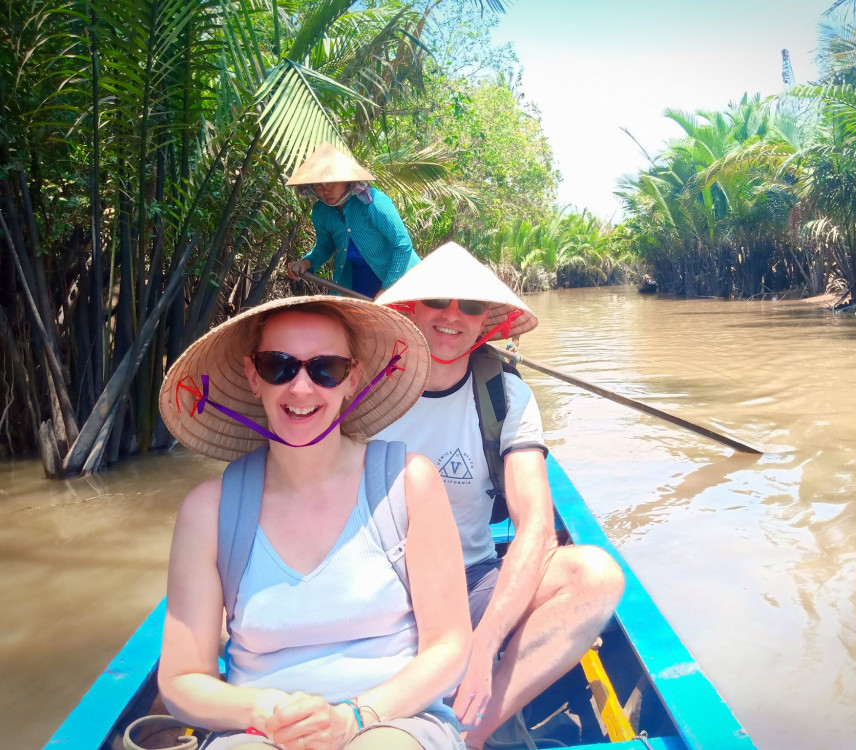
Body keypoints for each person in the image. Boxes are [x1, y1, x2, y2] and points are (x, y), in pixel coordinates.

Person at [157, 294, 471, 750]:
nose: (301, 388)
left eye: (326, 369)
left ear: (352, 379)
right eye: (278, 366)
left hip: (395, 718)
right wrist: (262, 711)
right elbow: (183, 678)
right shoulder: (209, 511)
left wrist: (352, 718)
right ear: (252, 376)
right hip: (260, 730)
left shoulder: (408, 484)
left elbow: (450, 646)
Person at [374, 243, 625, 750]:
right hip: (377, 585)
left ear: (487, 320)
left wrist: (483, 642)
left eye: (469, 307)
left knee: (595, 576)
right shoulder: (366, 386)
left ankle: (471, 731)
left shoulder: (504, 395)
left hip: (470, 581)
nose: (452, 317)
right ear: (412, 309)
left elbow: (534, 527)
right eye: (438, 302)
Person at [285, 144, 420, 298]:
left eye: (330, 182)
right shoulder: (321, 211)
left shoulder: (372, 203)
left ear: (347, 180)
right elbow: (325, 245)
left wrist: (388, 290)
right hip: (357, 286)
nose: (325, 190)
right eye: (318, 185)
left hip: (399, 282)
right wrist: (307, 263)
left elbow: (402, 245)